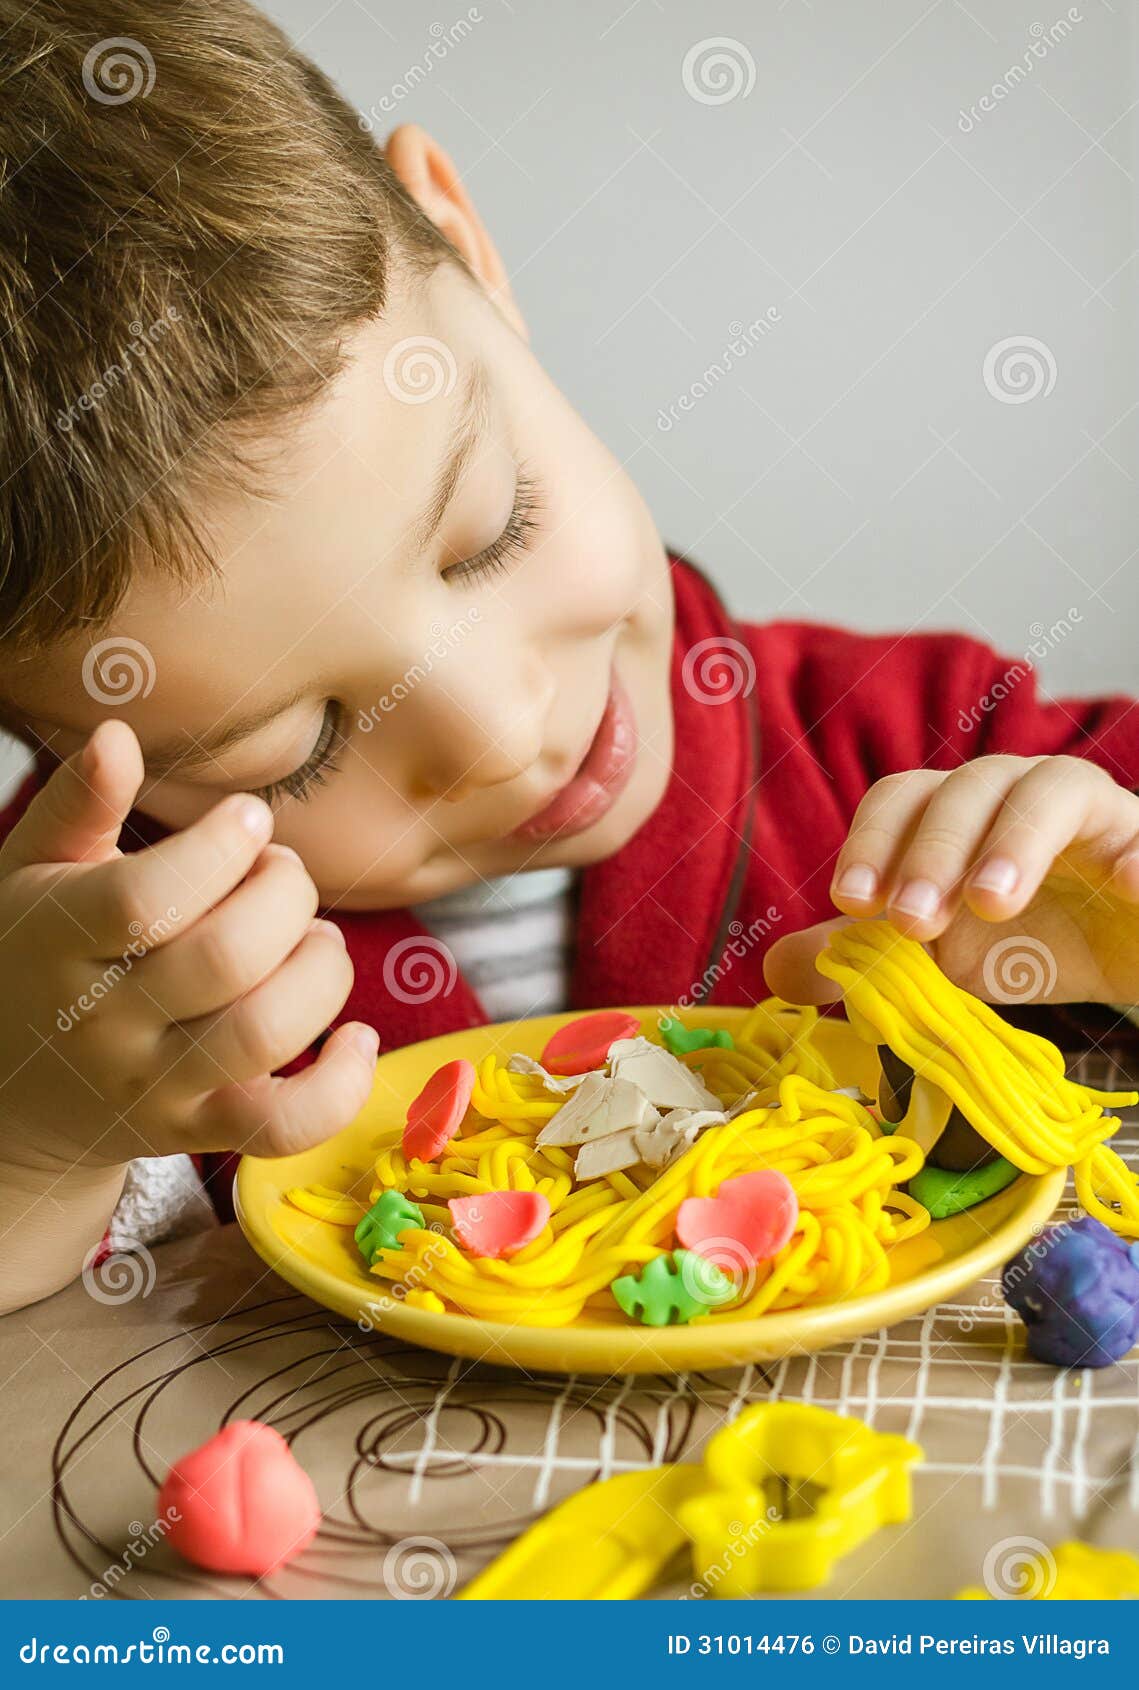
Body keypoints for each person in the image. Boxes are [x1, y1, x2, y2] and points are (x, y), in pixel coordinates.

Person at [1, 0, 1137, 1312]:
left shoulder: (939, 746)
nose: (495, 728)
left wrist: (1115, 947)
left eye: (491, 534)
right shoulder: (86, 970)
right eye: (293, 743)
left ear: (467, 249)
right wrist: (36, 1138)